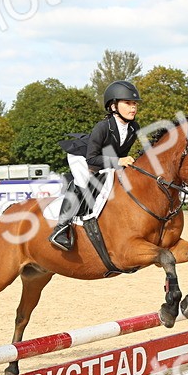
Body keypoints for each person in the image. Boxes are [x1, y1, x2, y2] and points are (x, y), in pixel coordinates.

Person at [48, 80, 142, 251]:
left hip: (104, 159)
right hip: (82, 157)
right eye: (128, 103)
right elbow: (92, 159)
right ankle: (60, 229)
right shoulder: (102, 127)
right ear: (113, 106)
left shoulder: (133, 128)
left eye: (134, 103)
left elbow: (119, 155)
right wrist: (118, 162)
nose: (133, 107)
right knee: (83, 182)